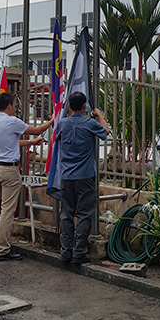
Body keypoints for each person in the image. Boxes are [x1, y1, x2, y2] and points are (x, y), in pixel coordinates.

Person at [0, 92, 53, 261]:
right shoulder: (12, 122)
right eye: (13, 105)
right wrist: (53, 120)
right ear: (9, 106)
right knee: (7, 210)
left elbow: (9, 141)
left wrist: (30, 143)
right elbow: (38, 130)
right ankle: (2, 248)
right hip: (9, 170)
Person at [56, 91, 109, 264]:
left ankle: (66, 251)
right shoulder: (89, 124)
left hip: (66, 176)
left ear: (70, 106)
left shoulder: (62, 124)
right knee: (84, 214)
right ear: (85, 106)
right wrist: (99, 115)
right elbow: (105, 132)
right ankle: (79, 252)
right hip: (85, 175)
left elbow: (57, 138)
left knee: (66, 214)